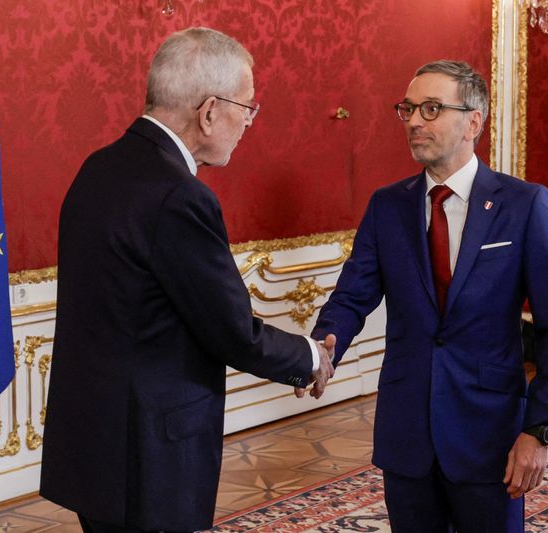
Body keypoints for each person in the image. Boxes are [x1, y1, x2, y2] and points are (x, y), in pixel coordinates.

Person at [39, 27, 335, 533]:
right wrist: (310, 357)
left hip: (94, 439)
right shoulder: (180, 196)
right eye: (248, 107)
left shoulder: (99, 167)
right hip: (149, 451)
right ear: (210, 110)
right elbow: (232, 332)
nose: (248, 122)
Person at [311, 60, 548, 532]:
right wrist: (323, 345)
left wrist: (539, 430)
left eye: (431, 109)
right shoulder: (386, 206)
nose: (415, 121)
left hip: (489, 434)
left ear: (473, 121)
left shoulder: (524, 205)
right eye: (409, 109)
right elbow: (353, 295)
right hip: (406, 430)